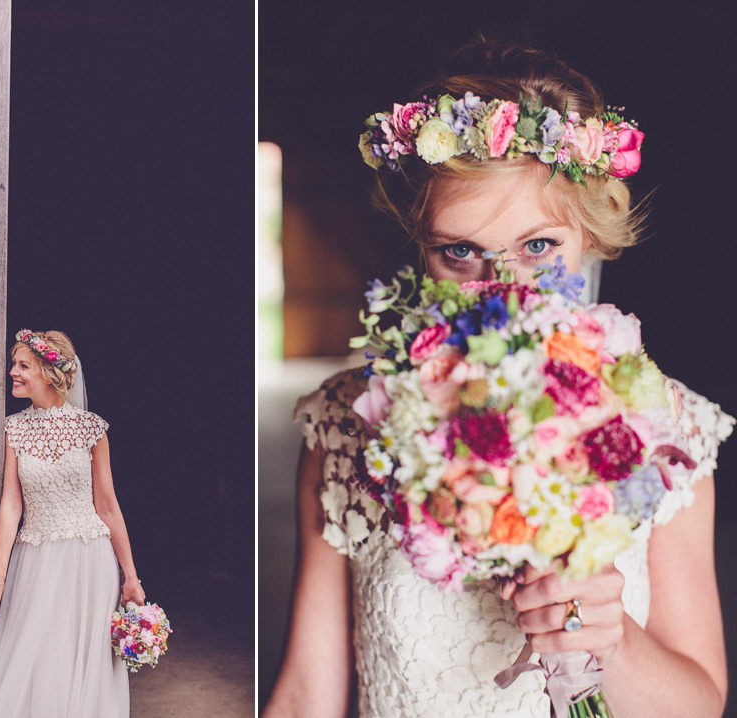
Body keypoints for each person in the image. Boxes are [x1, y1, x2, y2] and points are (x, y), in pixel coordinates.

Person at [263, 42, 733, 718]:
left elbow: (701, 703)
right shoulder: (348, 425)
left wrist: (614, 642)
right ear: (423, 247)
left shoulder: (668, 429)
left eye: (537, 247)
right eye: (461, 252)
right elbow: (307, 694)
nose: (501, 291)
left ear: (592, 238)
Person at [0, 329, 144, 718]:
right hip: (35, 561)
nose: (13, 373)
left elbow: (108, 507)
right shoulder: (13, 428)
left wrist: (130, 576)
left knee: (81, 660)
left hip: (89, 561)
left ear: (51, 372)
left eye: (23, 365)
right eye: (14, 364)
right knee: (38, 657)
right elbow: (11, 507)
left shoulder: (91, 429)